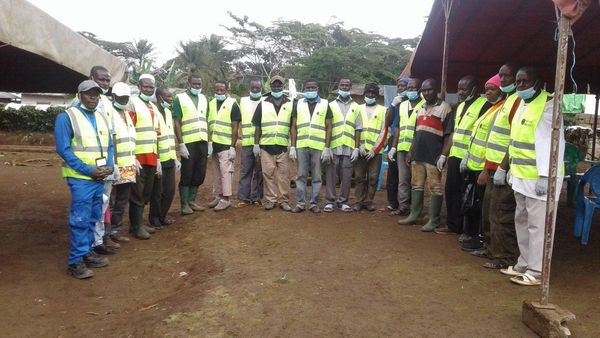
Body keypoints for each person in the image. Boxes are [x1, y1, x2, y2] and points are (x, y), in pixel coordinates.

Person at [498, 66, 564, 286]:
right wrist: (509, 169)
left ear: (537, 82)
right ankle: (524, 263)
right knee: (522, 221)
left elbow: (553, 144)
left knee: (539, 226)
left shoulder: (549, 105)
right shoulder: (522, 105)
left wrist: (547, 176)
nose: (520, 85)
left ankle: (537, 271)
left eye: (525, 81)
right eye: (518, 82)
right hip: (520, 177)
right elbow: (516, 142)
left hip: (539, 179)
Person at [55, 80, 113, 279]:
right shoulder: (66, 117)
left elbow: (109, 145)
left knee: (93, 216)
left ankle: (87, 252)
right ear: (79, 95)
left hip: (99, 177)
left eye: (96, 94)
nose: (93, 98)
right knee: (80, 219)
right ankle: (75, 261)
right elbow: (63, 150)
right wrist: (89, 170)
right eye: (89, 94)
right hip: (81, 178)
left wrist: (109, 165)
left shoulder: (103, 117)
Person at [480, 63, 522, 269]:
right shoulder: (507, 101)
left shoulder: (517, 102)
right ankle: (491, 249)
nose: (503, 80)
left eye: (507, 76)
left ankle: (505, 257)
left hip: (503, 168)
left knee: (501, 214)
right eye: (501, 76)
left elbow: (513, 138)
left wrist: (503, 167)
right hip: (492, 166)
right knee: (489, 211)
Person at [435, 76, 488, 236]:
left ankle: (470, 231)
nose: (460, 92)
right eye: (459, 88)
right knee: (451, 190)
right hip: (455, 156)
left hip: (471, 158)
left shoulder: (483, 106)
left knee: (470, 194)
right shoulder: (460, 106)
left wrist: (469, 155)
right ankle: (453, 225)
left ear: (474, 89)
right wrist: (444, 155)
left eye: (464, 89)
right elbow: (453, 132)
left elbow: (481, 134)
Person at [398, 78, 453, 232]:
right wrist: (410, 151)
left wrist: (443, 155)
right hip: (418, 154)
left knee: (435, 187)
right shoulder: (421, 108)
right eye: (424, 90)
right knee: (416, 185)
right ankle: (415, 215)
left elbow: (449, 135)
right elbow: (417, 133)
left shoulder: (445, 108)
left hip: (434, 156)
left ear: (435, 90)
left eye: (429, 89)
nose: (426, 93)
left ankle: (434, 220)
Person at [459, 74, 506, 252]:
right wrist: (467, 156)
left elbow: (493, 143)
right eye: (486, 89)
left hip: (485, 168)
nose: (488, 93)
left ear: (500, 90)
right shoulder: (492, 109)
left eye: (492, 89)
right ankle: (476, 237)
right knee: (475, 203)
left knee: (483, 207)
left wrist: (486, 169)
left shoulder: (500, 110)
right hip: (474, 164)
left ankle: (481, 239)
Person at [290, 80, 333, 213]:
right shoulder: (298, 104)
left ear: (317, 89)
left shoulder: (325, 104)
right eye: (308, 88)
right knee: (301, 175)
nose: (310, 90)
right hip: (301, 145)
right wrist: (292, 146)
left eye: (313, 88)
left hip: (318, 146)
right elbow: (294, 126)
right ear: (305, 89)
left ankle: (314, 203)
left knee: (317, 176)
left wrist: (327, 147)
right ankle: (301, 203)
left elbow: (329, 127)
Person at [252, 75, 294, 211]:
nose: (277, 88)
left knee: (284, 176)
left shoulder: (290, 103)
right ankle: (271, 199)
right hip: (266, 146)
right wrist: (256, 144)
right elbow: (257, 126)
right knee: (267, 174)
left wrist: (293, 145)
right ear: (270, 87)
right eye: (274, 85)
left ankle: (283, 200)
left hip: (283, 147)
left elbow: (293, 126)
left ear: (283, 87)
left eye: (279, 85)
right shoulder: (263, 103)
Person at [128, 74, 160, 239]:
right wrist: (131, 155)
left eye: (151, 87)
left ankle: (139, 222)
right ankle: (136, 226)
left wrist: (158, 157)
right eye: (146, 86)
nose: (149, 89)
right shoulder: (133, 103)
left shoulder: (153, 107)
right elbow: (129, 129)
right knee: (137, 193)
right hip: (138, 157)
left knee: (146, 191)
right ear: (139, 86)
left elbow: (157, 133)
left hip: (152, 156)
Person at [172, 73, 209, 215]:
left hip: (202, 141)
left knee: (200, 172)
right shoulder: (179, 99)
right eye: (194, 84)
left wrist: (209, 141)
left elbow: (206, 120)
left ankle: (192, 201)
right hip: (188, 143)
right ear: (189, 83)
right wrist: (181, 144)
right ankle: (184, 204)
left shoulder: (204, 98)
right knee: (187, 173)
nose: (197, 87)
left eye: (199, 84)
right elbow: (177, 122)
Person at [324, 78, 362, 213]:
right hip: (333, 145)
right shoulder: (330, 105)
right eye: (342, 85)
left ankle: (343, 201)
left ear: (350, 87)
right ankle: (330, 201)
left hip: (349, 146)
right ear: (338, 86)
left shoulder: (356, 106)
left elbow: (358, 128)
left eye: (347, 85)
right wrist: (326, 147)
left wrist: (357, 147)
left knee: (346, 175)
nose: (344, 87)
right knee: (331, 174)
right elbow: (327, 126)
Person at [389, 78, 424, 216]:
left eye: (413, 88)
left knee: (417, 181)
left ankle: (416, 209)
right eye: (408, 88)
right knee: (403, 180)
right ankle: (403, 207)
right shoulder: (402, 105)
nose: (410, 91)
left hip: (417, 149)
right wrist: (393, 147)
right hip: (402, 148)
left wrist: (411, 150)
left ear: (419, 89)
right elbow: (397, 127)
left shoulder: (424, 105)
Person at [108, 82, 136, 245]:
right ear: (113, 97)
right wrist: (114, 163)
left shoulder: (126, 113)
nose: (124, 100)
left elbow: (130, 139)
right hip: (115, 165)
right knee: (110, 201)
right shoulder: (109, 113)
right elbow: (112, 140)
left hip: (129, 165)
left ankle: (116, 230)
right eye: (121, 97)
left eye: (126, 97)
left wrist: (134, 159)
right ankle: (106, 235)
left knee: (122, 200)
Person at [207, 80, 241, 211]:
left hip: (226, 145)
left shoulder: (233, 104)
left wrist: (233, 146)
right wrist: (210, 142)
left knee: (226, 172)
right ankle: (218, 195)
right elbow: (209, 124)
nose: (219, 92)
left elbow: (235, 128)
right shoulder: (211, 103)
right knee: (216, 172)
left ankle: (226, 199)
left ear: (227, 90)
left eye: (222, 90)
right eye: (217, 90)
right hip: (214, 144)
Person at [149, 88, 179, 227]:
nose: (171, 99)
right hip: (158, 159)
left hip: (170, 158)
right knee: (157, 192)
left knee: (170, 190)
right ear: (160, 97)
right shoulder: (153, 111)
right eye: (168, 97)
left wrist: (175, 157)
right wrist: (158, 159)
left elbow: (169, 136)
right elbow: (154, 137)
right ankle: (154, 218)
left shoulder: (168, 112)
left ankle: (163, 215)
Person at [354, 83, 387, 212]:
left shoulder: (383, 110)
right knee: (359, 177)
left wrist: (375, 150)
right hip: (361, 149)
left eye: (373, 93)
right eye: (368, 93)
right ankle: (358, 201)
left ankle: (369, 201)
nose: (370, 95)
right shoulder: (358, 108)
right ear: (364, 94)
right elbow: (354, 128)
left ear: (377, 95)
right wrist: (359, 146)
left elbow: (384, 131)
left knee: (373, 178)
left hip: (376, 152)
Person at [384, 76, 409, 213]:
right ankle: (392, 202)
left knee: (406, 174)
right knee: (393, 173)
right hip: (394, 138)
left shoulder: (413, 103)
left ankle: (405, 203)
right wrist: (393, 106)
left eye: (404, 86)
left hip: (408, 140)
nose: (401, 88)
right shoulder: (395, 102)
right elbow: (387, 122)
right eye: (399, 86)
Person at [238, 79, 263, 206]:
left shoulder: (265, 102)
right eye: (253, 87)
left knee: (259, 171)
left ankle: (257, 197)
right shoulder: (243, 101)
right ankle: (244, 198)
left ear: (261, 89)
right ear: (249, 88)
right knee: (245, 170)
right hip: (247, 143)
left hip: (261, 143)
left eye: (257, 88)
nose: (255, 90)